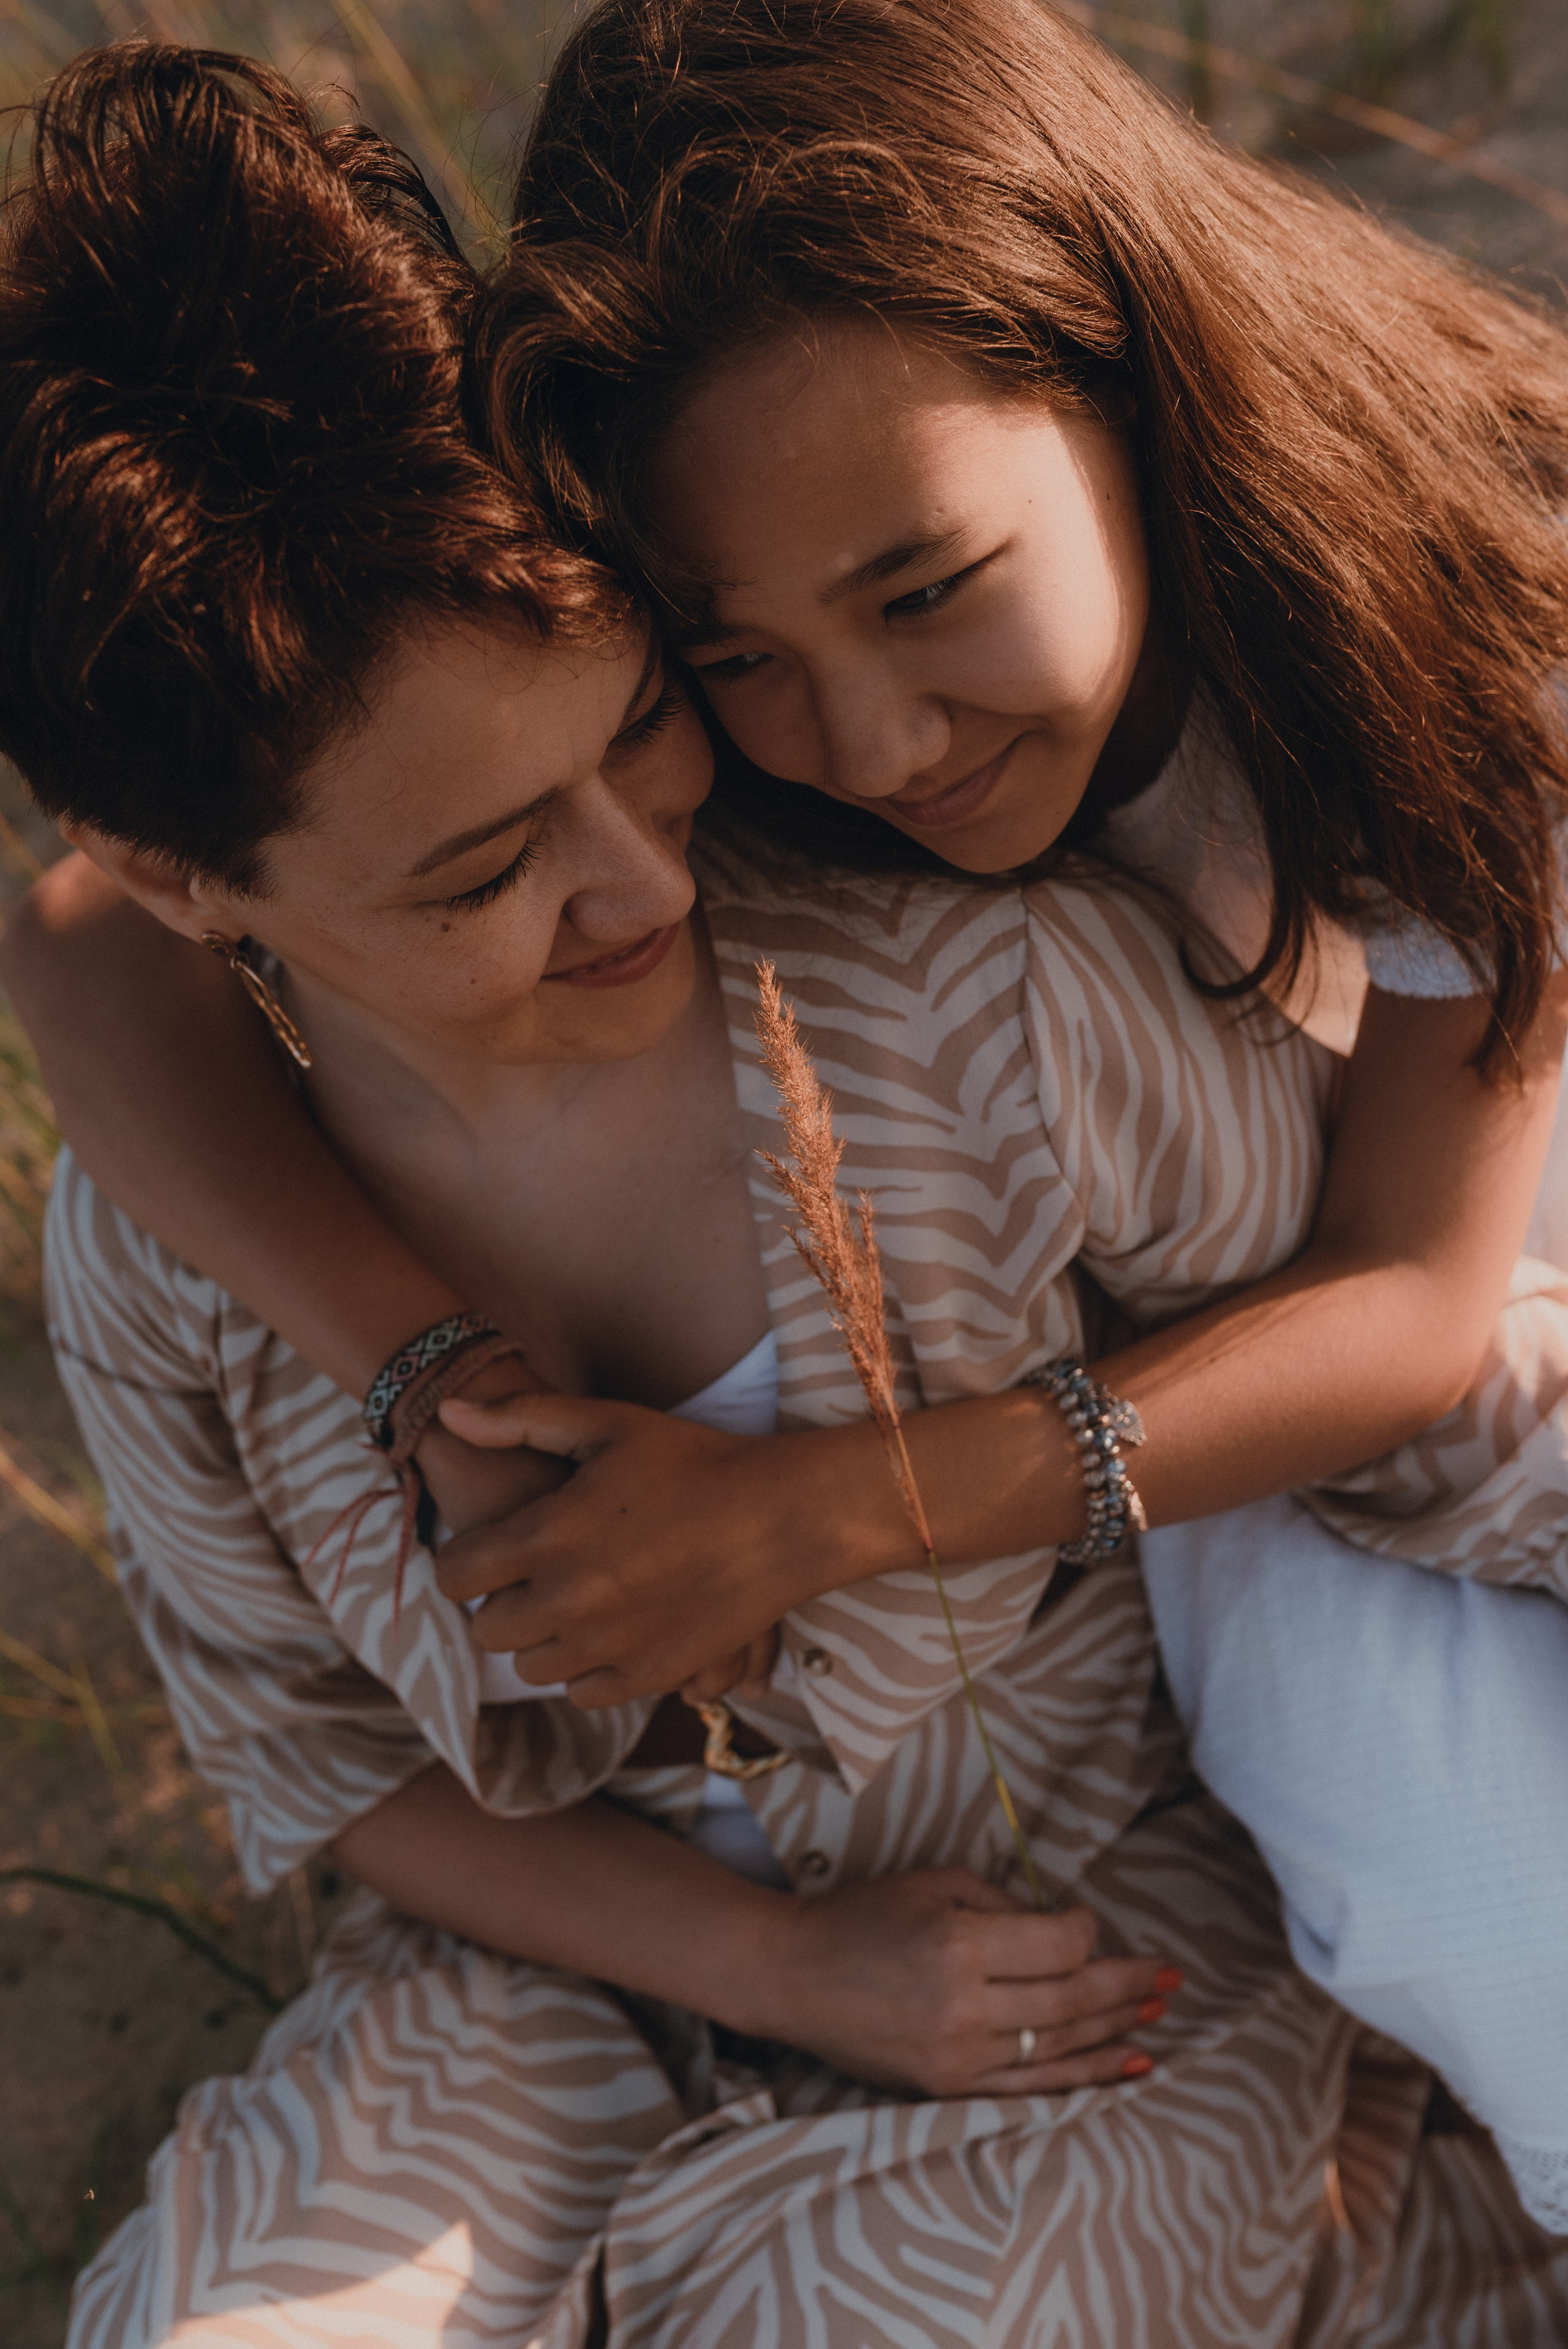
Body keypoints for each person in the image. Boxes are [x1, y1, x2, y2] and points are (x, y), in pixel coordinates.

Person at [12, 0, 1568, 2238]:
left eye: (925, 592)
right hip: (1184, 1389)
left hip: (1400, 1247)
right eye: (725, 656)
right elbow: (84, 940)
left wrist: (821, 1512)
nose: (865, 744)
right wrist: (425, 1364)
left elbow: (1411, 1305)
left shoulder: (1440, 628)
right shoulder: (608, 760)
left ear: (1121, 367)